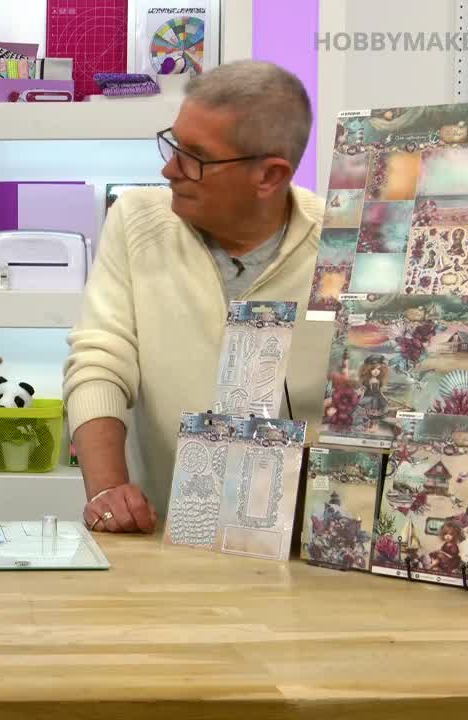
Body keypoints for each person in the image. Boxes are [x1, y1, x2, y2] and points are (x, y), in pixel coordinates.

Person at [63, 60, 332, 534]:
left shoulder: (346, 244)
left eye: (195, 156)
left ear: (270, 176)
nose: (169, 169)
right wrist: (108, 492)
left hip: (314, 552)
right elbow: (100, 362)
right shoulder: (135, 220)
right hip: (166, 539)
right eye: (173, 143)